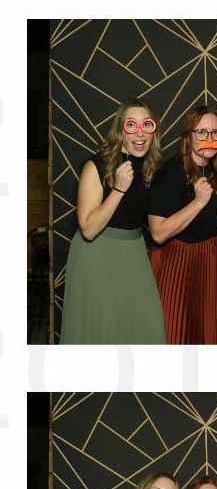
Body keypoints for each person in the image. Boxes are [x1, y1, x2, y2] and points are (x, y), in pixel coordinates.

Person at [60, 99, 166, 344]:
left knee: (146, 329)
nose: (139, 133)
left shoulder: (151, 168)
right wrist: (119, 189)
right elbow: (88, 229)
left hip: (133, 251)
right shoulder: (97, 165)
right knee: (102, 330)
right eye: (131, 125)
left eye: (146, 125)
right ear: (120, 130)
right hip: (97, 254)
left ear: (154, 131)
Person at [148, 104, 217, 343]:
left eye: (215, 132)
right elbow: (158, 233)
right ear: (188, 137)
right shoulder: (170, 172)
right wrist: (198, 202)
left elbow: (209, 218)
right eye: (201, 132)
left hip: (210, 259)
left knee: (207, 330)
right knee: (175, 329)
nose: (209, 138)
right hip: (176, 261)